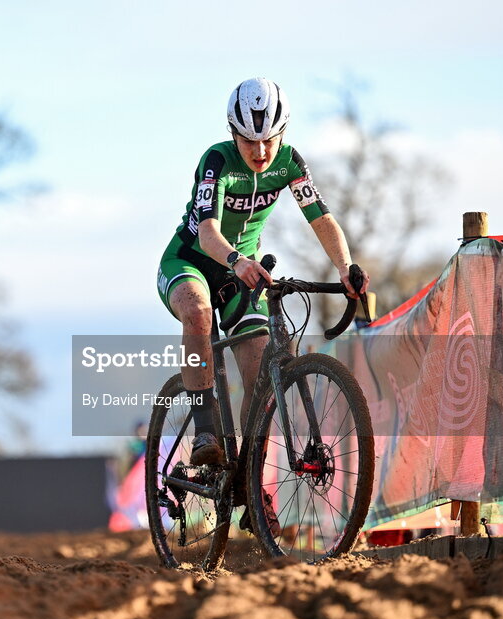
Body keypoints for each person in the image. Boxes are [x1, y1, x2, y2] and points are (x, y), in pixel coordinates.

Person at [155, 77, 370, 467]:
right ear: (233, 134)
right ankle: (205, 427)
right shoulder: (217, 161)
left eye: (269, 139)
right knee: (199, 312)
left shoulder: (289, 162)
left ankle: (250, 483)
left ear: (283, 133)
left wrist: (346, 268)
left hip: (241, 275)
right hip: (191, 262)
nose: (260, 150)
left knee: (260, 378)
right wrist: (237, 260)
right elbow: (206, 234)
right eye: (249, 141)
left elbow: (321, 219)